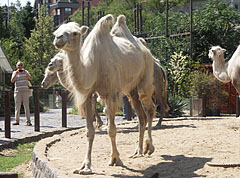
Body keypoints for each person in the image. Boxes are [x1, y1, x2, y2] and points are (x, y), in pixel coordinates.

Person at [11, 61, 32, 126]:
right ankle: (17, 121)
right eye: (19, 65)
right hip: (17, 91)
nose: (20, 66)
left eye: (21, 65)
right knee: (17, 107)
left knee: (26, 106)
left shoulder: (26, 72)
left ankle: (28, 121)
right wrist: (16, 74)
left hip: (25, 91)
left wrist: (25, 73)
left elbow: (30, 78)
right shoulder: (15, 72)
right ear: (17, 66)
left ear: (23, 66)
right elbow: (12, 81)